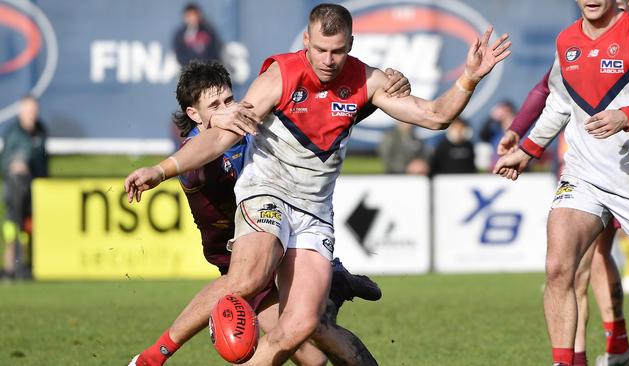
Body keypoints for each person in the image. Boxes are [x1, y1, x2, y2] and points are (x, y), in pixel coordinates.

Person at [126, 4, 511, 364]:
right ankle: (152, 357)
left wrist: (469, 77)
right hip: (267, 192)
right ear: (306, 42)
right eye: (321, 49)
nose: (328, 60)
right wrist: (160, 170)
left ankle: (335, 280)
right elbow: (219, 137)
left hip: (313, 212)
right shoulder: (279, 76)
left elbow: (435, 116)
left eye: (338, 51)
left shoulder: (367, 80)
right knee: (248, 278)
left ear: (351, 46)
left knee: (303, 326)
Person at [129, 60, 410, 366]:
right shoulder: (193, 156)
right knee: (313, 357)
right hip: (242, 258)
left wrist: (378, 92)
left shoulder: (253, 129)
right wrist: (159, 170)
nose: (226, 108)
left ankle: (151, 358)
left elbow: (323, 116)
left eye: (229, 100)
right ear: (194, 114)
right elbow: (205, 153)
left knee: (307, 325)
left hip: (280, 245)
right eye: (214, 105)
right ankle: (336, 282)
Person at [493, 1, 629, 365]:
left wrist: (626, 116)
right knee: (559, 268)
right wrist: (528, 149)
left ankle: (620, 349)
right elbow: (559, 103)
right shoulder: (566, 41)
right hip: (584, 174)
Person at [1, 95, 48, 281]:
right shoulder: (13, 133)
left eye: (34, 110)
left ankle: (27, 266)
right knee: (13, 226)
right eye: (28, 110)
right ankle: (10, 268)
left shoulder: (41, 131)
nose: (32, 114)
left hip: (34, 187)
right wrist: (15, 165)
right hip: (15, 187)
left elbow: (43, 160)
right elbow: (4, 160)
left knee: (29, 228)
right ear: (21, 111)